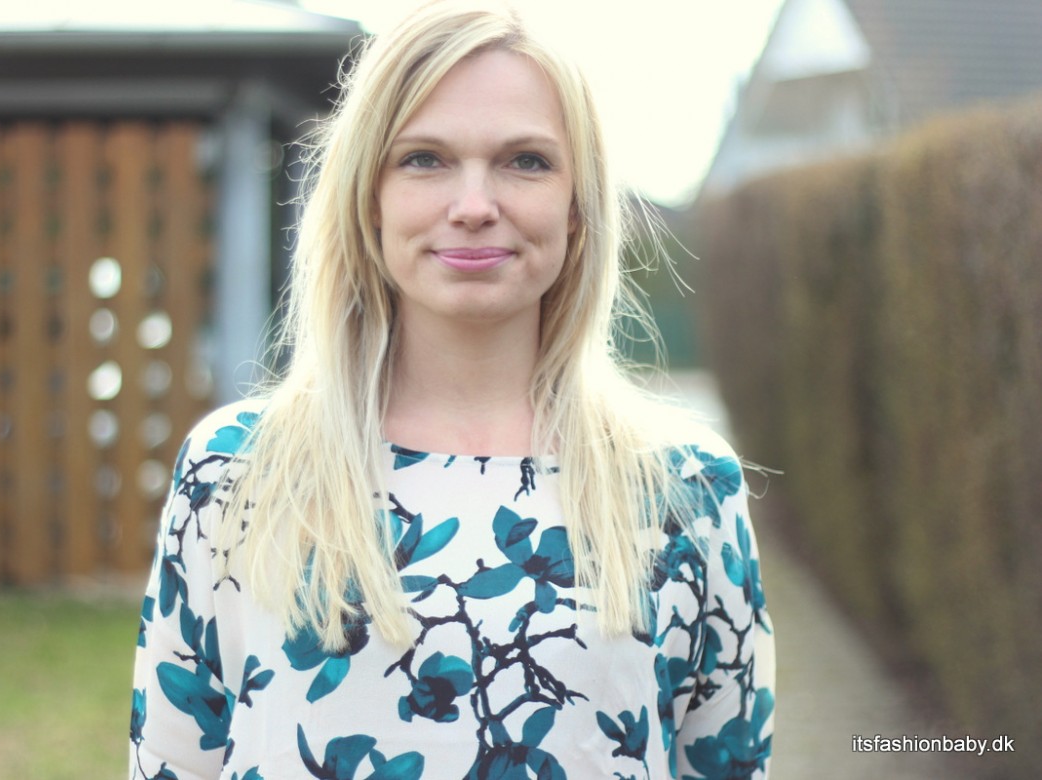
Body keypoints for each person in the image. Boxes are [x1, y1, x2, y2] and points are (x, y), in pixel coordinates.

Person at [129, 1, 774, 778]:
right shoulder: (234, 472)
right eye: (424, 159)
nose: (473, 207)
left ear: (578, 205)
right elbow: (172, 761)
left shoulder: (686, 488)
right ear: (368, 197)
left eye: (525, 161)